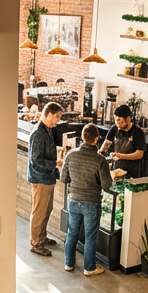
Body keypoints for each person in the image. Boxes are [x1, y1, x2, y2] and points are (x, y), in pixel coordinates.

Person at [61, 124, 113, 276]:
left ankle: (68, 263)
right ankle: (89, 267)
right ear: (96, 139)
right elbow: (107, 185)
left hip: (74, 199)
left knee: (72, 233)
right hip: (92, 202)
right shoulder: (100, 160)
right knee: (90, 236)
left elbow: (64, 178)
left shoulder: (70, 155)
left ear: (82, 137)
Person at [27, 102, 64, 257]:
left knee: (47, 210)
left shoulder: (47, 130)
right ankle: (36, 243)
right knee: (39, 212)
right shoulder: (38, 133)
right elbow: (35, 160)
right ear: (47, 114)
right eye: (56, 117)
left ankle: (42, 237)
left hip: (47, 177)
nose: (57, 121)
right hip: (40, 178)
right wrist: (54, 163)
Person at [98, 104, 147, 180]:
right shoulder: (115, 128)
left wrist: (121, 156)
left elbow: (139, 154)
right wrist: (100, 152)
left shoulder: (138, 132)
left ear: (128, 119)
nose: (118, 124)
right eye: (116, 120)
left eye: (120, 121)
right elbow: (107, 142)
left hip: (132, 172)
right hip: (117, 170)